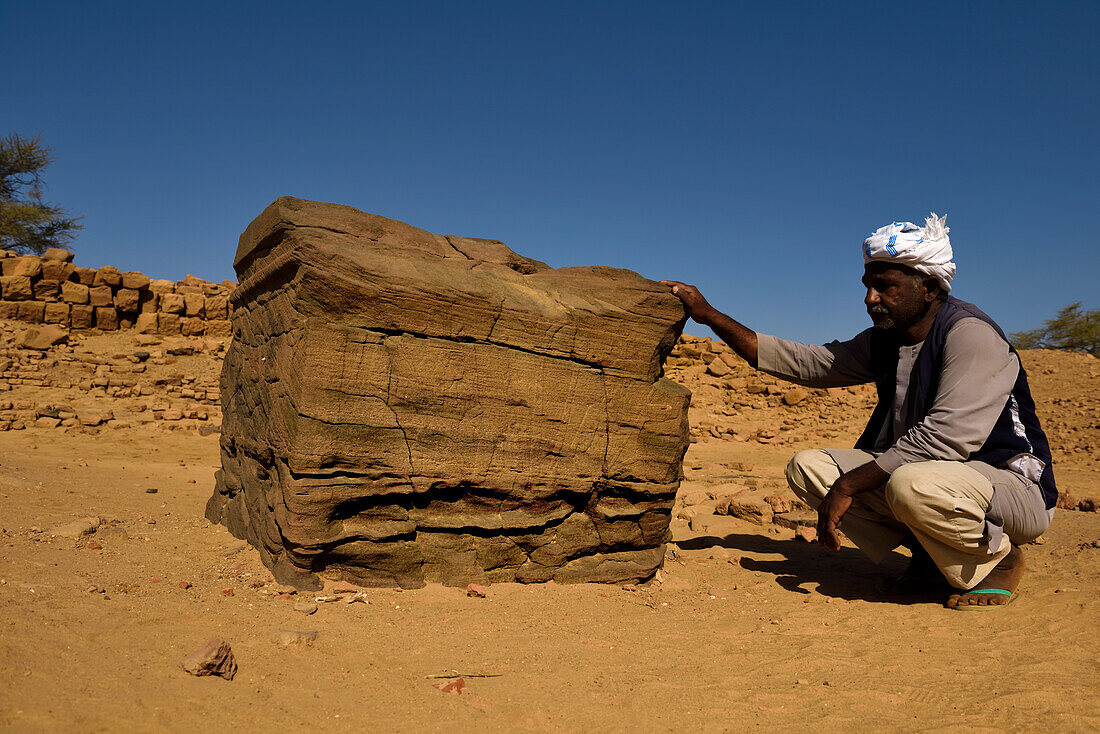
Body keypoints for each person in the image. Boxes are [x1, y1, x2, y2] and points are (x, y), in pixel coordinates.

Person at [663, 214, 1056, 609]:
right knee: (810, 467)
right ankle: (932, 560)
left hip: (1011, 487)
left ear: (931, 288)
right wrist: (710, 316)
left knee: (910, 484)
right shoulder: (890, 339)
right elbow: (809, 364)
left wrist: (849, 485)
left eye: (885, 287)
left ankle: (997, 561)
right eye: (869, 286)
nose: (871, 298)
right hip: (935, 479)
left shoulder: (970, 334)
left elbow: (944, 438)